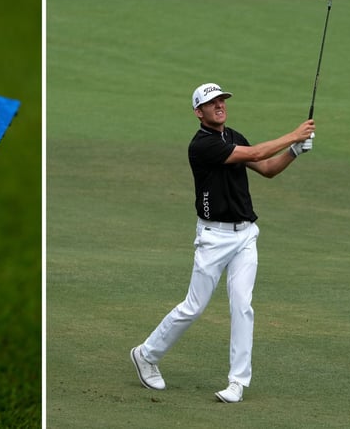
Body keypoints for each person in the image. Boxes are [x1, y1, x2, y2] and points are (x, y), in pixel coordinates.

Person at [130, 83, 316, 403]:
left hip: (245, 235)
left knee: (242, 306)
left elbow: (267, 167)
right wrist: (294, 135)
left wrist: (294, 152)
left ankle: (237, 383)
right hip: (213, 238)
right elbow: (257, 153)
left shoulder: (234, 137)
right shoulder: (201, 145)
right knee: (193, 306)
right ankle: (146, 354)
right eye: (211, 102)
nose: (219, 105)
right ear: (198, 112)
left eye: (222, 100)